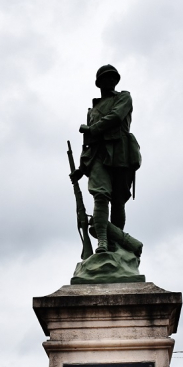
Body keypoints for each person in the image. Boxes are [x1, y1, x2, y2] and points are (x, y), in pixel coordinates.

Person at [70, 65, 141, 253]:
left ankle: (115, 243)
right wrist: (81, 168)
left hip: (120, 153)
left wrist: (93, 128)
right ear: (99, 82)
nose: (111, 81)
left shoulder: (124, 97)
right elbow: (88, 144)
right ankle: (102, 240)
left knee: (118, 201)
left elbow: (116, 116)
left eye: (113, 78)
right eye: (107, 78)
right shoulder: (92, 110)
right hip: (98, 155)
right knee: (100, 195)